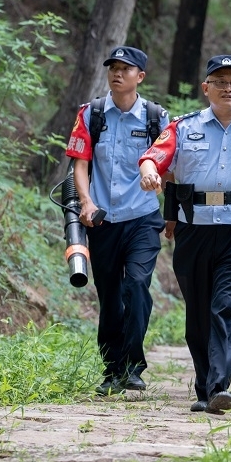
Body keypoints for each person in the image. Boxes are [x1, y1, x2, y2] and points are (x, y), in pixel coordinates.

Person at [138, 54, 231, 415]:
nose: (228, 89)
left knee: (227, 307)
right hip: (194, 229)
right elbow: (153, 156)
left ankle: (219, 386)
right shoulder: (183, 127)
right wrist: (149, 172)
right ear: (206, 88)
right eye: (220, 82)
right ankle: (205, 387)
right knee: (199, 314)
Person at [64, 45, 168, 396]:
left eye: (126, 69)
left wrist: (161, 187)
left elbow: (170, 163)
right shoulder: (91, 114)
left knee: (136, 286)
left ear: (141, 76)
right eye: (113, 68)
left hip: (142, 219)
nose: (117, 73)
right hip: (103, 221)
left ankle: (133, 368)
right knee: (109, 296)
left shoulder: (156, 117)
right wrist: (87, 202)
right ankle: (112, 370)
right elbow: (80, 164)